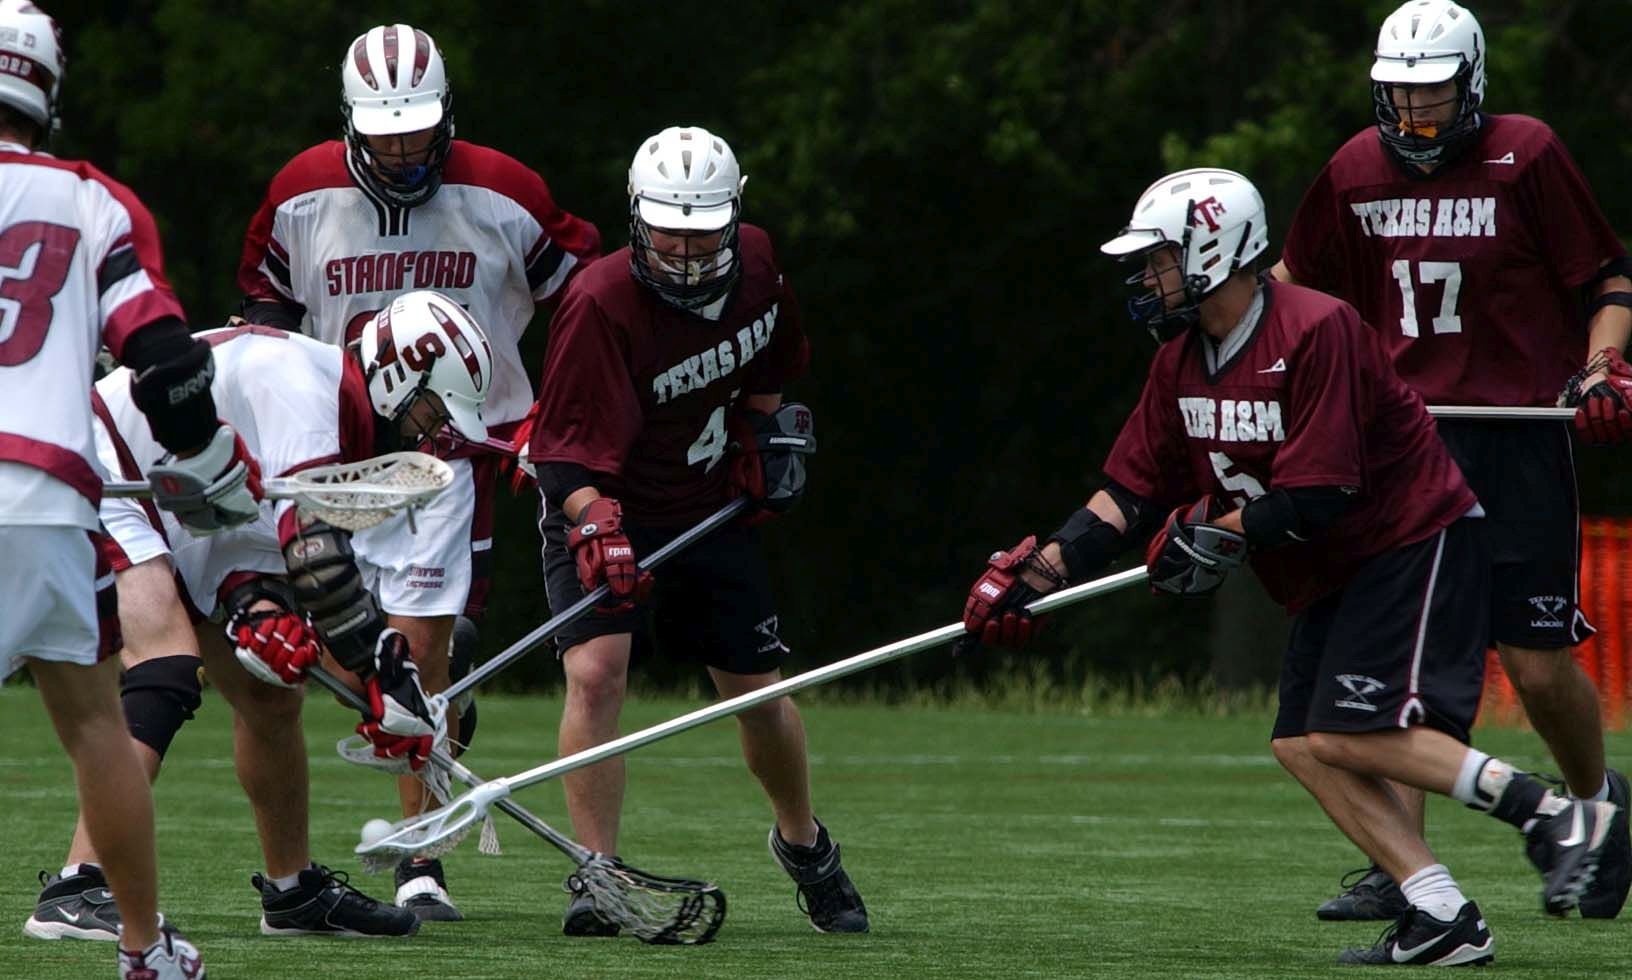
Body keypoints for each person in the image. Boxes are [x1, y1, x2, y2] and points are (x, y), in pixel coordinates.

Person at [959, 166, 1619, 966]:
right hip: (1326, 566)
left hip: (1406, 541)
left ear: (1213, 250)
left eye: (1159, 259)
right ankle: (1442, 913)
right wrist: (1039, 573)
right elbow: (1129, 493)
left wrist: (1208, 531)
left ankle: (1555, 815)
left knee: (1355, 731)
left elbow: (1319, 494)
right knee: (1302, 743)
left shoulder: (1317, 328)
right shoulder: (1180, 361)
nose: (1147, 278)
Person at [1270, 0, 1632, 921]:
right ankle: (1404, 868)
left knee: (1535, 659)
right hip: (1404, 442)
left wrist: (1600, 368)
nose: (1414, 113)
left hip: (1515, 435)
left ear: (1470, 83)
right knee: (1405, 658)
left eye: (1432, 94)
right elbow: (1290, 290)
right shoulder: (1355, 166)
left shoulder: (1527, 153)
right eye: (1399, 95)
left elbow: (1607, 279)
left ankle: (1596, 809)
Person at [235, 22, 601, 918]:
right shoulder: (300, 193)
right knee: (328, 650)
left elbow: (587, 305)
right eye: (384, 133)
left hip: (456, 451)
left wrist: (548, 420)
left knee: (426, 652)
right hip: (335, 452)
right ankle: (434, 723)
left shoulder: (504, 192)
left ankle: (420, 857)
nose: (401, 150)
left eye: (416, 129)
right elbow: (265, 319)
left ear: (446, 116)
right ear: (350, 122)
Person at [25, 293, 484, 942]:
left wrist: (262, 612)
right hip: (102, 468)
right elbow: (315, 553)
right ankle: (77, 885)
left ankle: (292, 892)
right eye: (430, 411)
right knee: (167, 662)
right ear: (396, 375)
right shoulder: (314, 394)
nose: (426, 433)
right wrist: (384, 677)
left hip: (170, 495)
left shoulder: (331, 401)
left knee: (270, 698)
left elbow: (252, 543)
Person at [526, 125, 867, 936]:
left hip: (709, 504)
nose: (684, 250)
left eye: (703, 231)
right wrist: (597, 525)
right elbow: (560, 458)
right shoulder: (599, 302)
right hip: (606, 506)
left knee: (758, 694)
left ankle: (805, 844)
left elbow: (771, 373)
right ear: (637, 216)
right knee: (597, 674)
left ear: (734, 216)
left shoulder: (759, 265)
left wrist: (766, 440)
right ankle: (599, 875)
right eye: (669, 231)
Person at [0, 2, 265, 975]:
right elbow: (167, 361)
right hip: (45, 497)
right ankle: (144, 950)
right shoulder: (92, 200)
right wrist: (204, 460)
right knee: (95, 725)